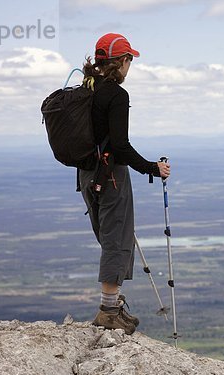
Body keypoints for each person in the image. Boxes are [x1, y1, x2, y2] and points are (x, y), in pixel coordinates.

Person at [79, 33, 170, 334]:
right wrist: (152, 169)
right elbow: (120, 145)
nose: (131, 65)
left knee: (109, 237)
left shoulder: (87, 89)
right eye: (129, 59)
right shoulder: (117, 95)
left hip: (86, 175)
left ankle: (113, 303)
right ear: (121, 61)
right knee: (117, 239)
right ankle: (108, 311)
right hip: (111, 176)